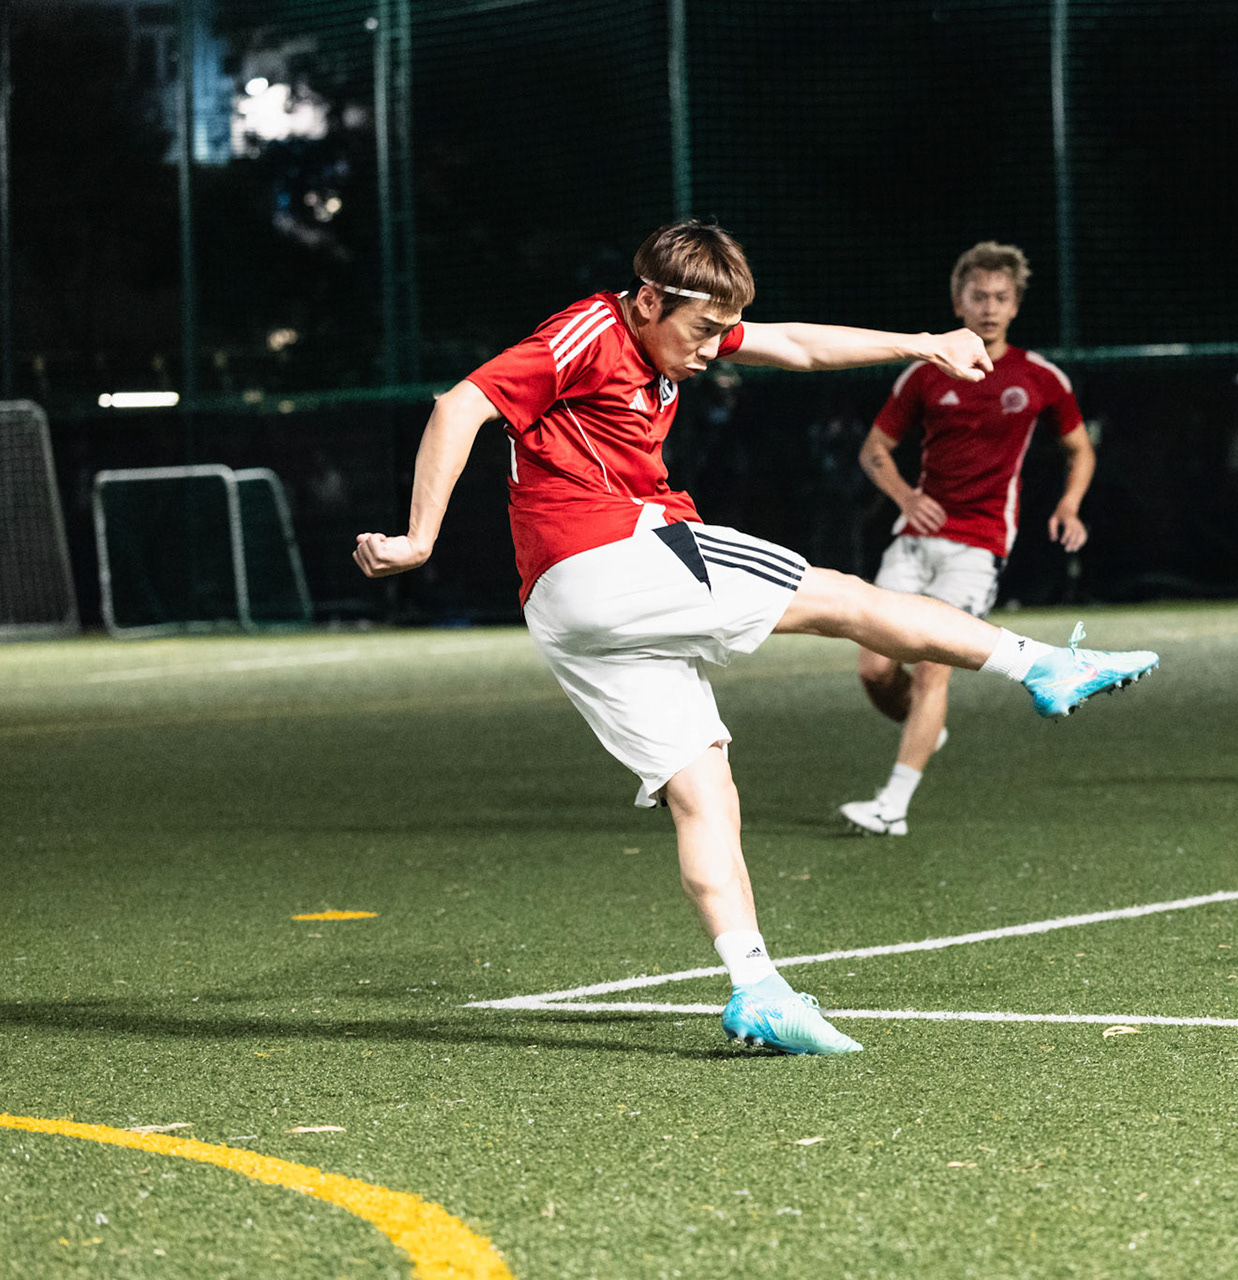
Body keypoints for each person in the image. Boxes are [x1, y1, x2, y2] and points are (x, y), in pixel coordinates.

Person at [351, 221, 1160, 1055]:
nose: (709, 353)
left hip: (569, 610)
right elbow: (461, 405)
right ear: (651, 300)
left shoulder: (663, 334)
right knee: (845, 597)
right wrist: (418, 540)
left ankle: (756, 989)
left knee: (704, 790)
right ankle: (1046, 666)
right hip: (619, 551)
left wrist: (921, 343)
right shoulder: (588, 331)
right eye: (700, 332)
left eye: (718, 335)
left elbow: (798, 346)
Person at [839, 242, 1096, 837]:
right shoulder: (926, 371)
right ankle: (927, 728)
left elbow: (1079, 447)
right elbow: (873, 450)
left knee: (933, 667)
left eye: (1001, 298)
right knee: (876, 670)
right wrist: (906, 498)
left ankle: (892, 806)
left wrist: (1069, 503)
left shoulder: (1039, 377)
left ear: (1015, 305)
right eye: (978, 297)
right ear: (958, 301)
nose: (989, 308)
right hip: (913, 539)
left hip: (979, 547)